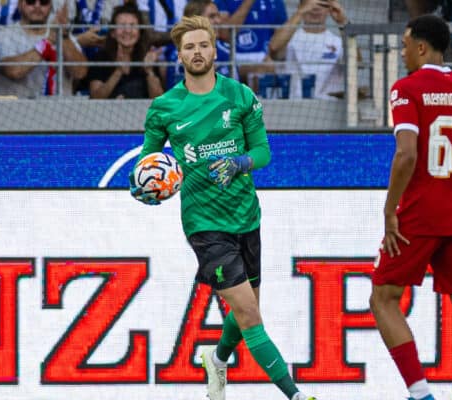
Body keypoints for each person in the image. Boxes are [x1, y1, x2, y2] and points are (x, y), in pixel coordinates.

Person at [129, 15, 316, 400]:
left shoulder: (241, 96)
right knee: (250, 315)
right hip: (204, 223)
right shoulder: (164, 108)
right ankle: (296, 395)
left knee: (247, 310)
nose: (197, 53)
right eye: (189, 47)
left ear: (214, 49)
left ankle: (217, 358)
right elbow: (147, 163)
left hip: (246, 215)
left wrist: (240, 163)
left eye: (203, 45)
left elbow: (263, 151)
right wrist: (145, 187)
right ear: (179, 56)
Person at [369, 15, 452, 400]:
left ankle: (420, 393)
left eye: (405, 45)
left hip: (420, 212)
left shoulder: (407, 88)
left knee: (383, 298)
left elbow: (406, 154)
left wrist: (390, 210)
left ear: (421, 47)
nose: (402, 52)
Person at [0, 0, 88, 97]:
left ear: (51, 6)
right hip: (15, 110)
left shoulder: (65, 37)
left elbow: (80, 72)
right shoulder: (3, 35)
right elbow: (13, 71)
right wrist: (46, 43)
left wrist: (63, 36)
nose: (37, 6)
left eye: (44, 2)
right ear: (20, 4)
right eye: (30, 1)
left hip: (59, 109)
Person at [267, 0, 348, 99]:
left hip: (328, 106)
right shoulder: (288, 40)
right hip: (293, 106)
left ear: (329, 9)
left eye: (321, 4)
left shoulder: (339, 42)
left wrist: (343, 22)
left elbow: (357, 63)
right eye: (310, 3)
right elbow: (274, 49)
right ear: (300, 6)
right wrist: (299, 13)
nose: (315, 9)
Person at [87, 2, 163, 98]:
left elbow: (159, 101)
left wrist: (149, 71)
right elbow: (95, 98)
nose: (127, 31)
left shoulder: (147, 58)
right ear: (112, 33)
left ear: (140, 32)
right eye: (122, 25)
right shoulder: (100, 58)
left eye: (132, 25)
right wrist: (118, 72)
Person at [162, 0, 236, 88]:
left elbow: (236, 93)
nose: (218, 21)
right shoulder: (178, 56)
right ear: (195, 21)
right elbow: (175, 98)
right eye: (212, 17)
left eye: (218, 16)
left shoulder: (227, 50)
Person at [214, 0, 287, 82]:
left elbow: (281, 50)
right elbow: (225, 34)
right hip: (232, 60)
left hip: (266, 62)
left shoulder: (276, 2)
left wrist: (271, 59)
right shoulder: (221, 2)